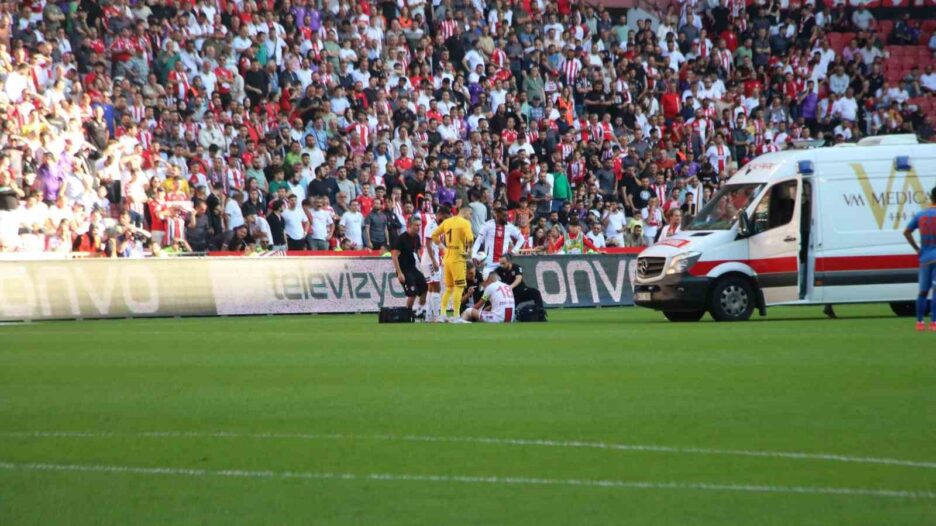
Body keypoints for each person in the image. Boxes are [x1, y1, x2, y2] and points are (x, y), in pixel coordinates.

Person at [431, 205, 474, 321]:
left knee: (449, 288)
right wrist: (469, 251)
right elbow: (470, 239)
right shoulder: (465, 223)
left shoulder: (447, 222)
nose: (470, 217)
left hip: (447, 257)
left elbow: (434, 235)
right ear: (465, 212)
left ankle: (443, 313)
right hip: (458, 258)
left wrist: (443, 247)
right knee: (459, 287)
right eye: (470, 214)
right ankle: (456, 315)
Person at [904, 186, 936, 332]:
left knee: (923, 291)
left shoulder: (921, 214)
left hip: (925, 258)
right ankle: (934, 323)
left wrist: (917, 249)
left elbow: (906, 232)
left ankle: (920, 322)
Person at [391, 216, 428, 320]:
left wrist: (422, 263)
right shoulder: (401, 239)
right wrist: (399, 273)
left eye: (419, 225)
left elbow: (417, 251)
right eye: (416, 225)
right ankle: (408, 313)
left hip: (413, 268)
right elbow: (394, 256)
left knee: (425, 287)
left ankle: (420, 310)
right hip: (404, 270)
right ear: (410, 225)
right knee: (412, 293)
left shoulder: (416, 237)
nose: (418, 227)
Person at [472, 208, 523, 278]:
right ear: (497, 215)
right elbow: (478, 241)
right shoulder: (488, 225)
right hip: (489, 263)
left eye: (507, 215)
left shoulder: (510, 227)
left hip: (503, 263)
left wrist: (513, 251)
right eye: (504, 216)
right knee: (486, 285)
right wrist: (474, 255)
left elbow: (521, 239)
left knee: (503, 285)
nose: (507, 218)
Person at [420, 206, 449, 322]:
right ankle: (437, 316)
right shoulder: (431, 225)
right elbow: (428, 244)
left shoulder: (440, 227)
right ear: (440, 215)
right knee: (436, 287)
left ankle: (429, 316)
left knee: (431, 288)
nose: (447, 220)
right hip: (430, 260)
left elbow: (438, 244)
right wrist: (434, 261)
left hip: (433, 259)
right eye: (445, 217)